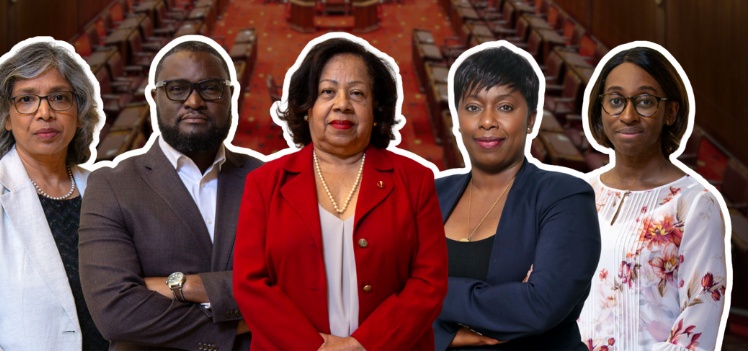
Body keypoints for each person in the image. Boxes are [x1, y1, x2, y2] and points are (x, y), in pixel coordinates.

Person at [234, 35, 448, 351]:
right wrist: (314, 348)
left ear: (376, 109)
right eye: (327, 92)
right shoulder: (263, 183)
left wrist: (364, 345)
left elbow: (430, 283)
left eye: (357, 93)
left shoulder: (415, 180)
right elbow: (249, 285)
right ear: (306, 107)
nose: (342, 104)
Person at [78, 37, 263, 351]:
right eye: (177, 89)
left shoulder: (265, 179)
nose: (194, 102)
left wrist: (182, 286)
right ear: (155, 97)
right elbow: (116, 314)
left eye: (210, 88)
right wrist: (237, 328)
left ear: (230, 95)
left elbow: (294, 288)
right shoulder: (109, 185)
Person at [0, 39, 106, 351]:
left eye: (59, 97)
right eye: (26, 100)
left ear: (79, 112)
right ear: (7, 118)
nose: (45, 112)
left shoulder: (104, 188)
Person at [434, 43, 601, 350]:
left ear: (531, 120)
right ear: (457, 118)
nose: (487, 121)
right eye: (473, 107)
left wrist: (425, 292)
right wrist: (445, 336)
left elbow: (540, 307)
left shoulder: (565, 196)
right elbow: (382, 299)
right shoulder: (432, 193)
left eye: (505, 107)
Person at [578, 45, 729, 351]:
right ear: (601, 110)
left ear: (670, 112)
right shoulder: (579, 193)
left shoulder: (695, 204)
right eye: (616, 101)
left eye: (645, 101)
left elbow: (696, 332)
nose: (629, 115)